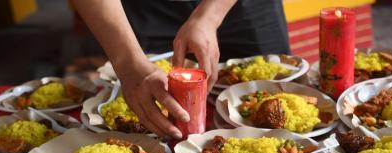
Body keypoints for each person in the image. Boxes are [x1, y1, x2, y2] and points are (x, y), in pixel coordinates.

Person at [72, 0, 290, 139]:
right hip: (147, 10)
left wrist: (209, 15)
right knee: (151, 115)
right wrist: (127, 60)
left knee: (275, 111)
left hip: (246, 8)